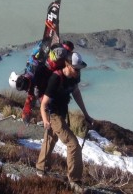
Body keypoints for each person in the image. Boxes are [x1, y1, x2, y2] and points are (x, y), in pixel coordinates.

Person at [36, 50, 94, 187]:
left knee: (51, 138)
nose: (78, 72)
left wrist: (86, 114)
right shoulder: (56, 79)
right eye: (76, 69)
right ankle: (74, 180)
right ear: (67, 65)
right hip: (53, 114)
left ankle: (40, 169)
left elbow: (76, 93)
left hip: (62, 112)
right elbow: (43, 104)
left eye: (79, 69)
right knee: (73, 144)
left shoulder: (74, 78)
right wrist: (45, 120)